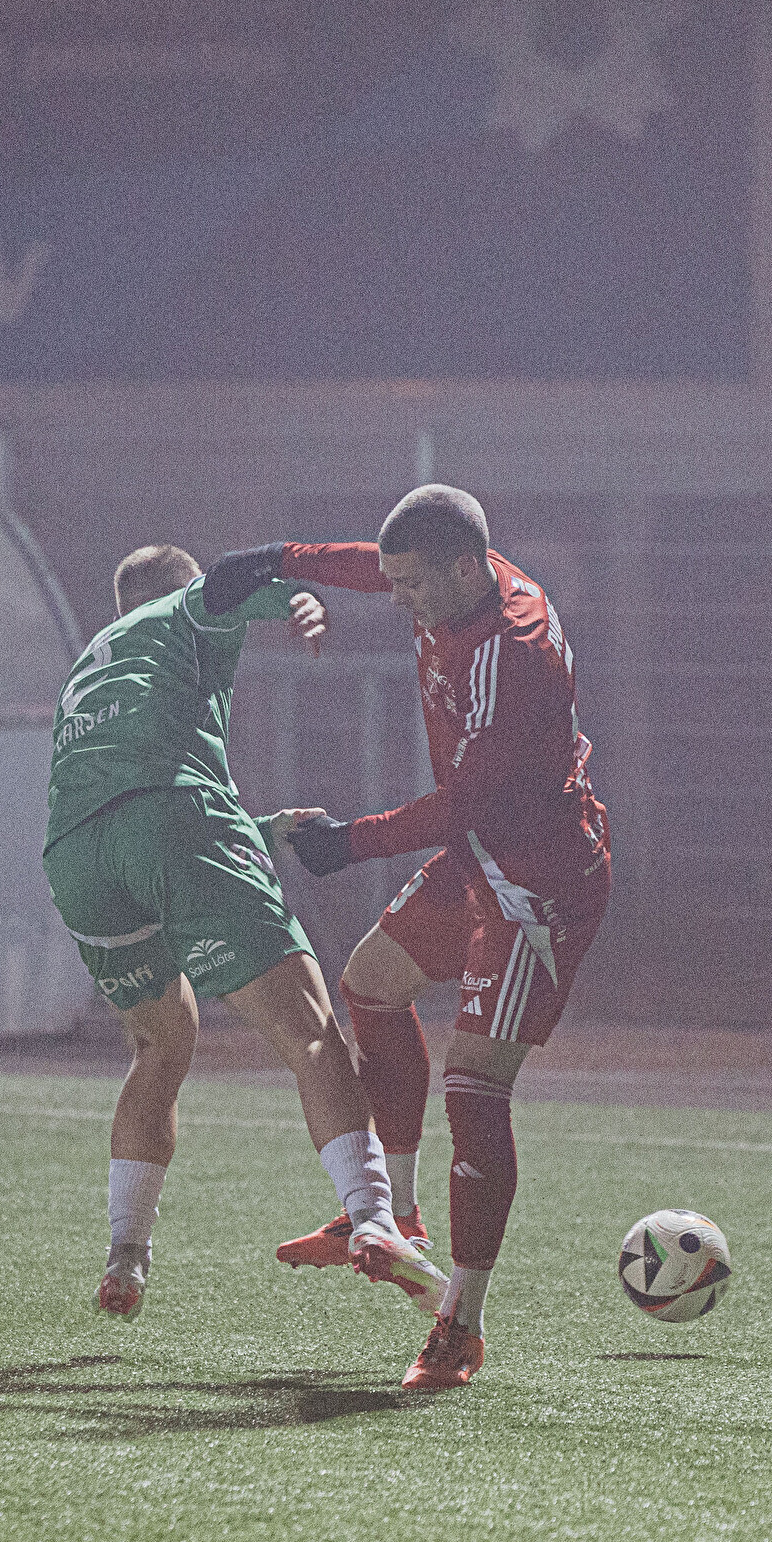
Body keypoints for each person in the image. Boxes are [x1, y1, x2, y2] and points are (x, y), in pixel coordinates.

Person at [250, 485, 615, 1392]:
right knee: (370, 985)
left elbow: (462, 805)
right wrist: (279, 560)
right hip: (482, 855)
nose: (399, 600)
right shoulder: (454, 581)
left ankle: (461, 1326)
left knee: (475, 1089)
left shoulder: (513, 651)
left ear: (463, 568)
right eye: (396, 582)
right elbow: (368, 567)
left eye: (412, 585)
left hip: (536, 883)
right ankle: (396, 1219)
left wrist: (349, 843)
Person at [44, 541, 438, 1323]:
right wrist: (295, 601)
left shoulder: (92, 664)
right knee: (312, 1033)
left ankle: (127, 1253)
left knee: (159, 1043)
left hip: (77, 858)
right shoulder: (189, 607)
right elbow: (226, 588)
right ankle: (373, 1219)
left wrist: (256, 832)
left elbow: (127, 809)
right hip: (174, 820)